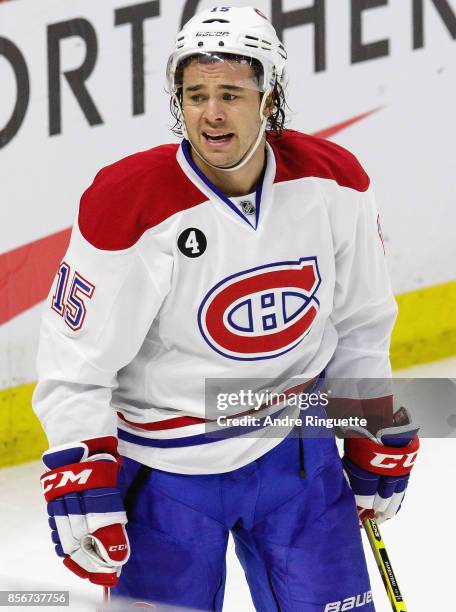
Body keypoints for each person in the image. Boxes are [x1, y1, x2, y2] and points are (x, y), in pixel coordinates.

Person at [33, 6, 419, 611]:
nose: (211, 113)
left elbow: (361, 323)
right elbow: (73, 364)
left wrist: (366, 419)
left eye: (232, 94)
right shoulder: (127, 205)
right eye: (195, 94)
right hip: (165, 479)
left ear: (269, 97)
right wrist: (83, 462)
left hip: (299, 461)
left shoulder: (332, 182)